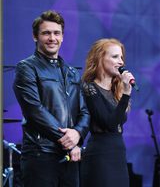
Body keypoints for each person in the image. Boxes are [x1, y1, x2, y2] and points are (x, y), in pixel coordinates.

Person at [13, 10, 90, 187]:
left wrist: (78, 133)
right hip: (40, 155)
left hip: (69, 157)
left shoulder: (71, 73)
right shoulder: (27, 68)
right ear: (35, 36)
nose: (52, 38)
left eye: (56, 33)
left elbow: (85, 111)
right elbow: (35, 110)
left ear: (62, 37)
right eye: (46, 33)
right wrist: (69, 141)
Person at [80, 38, 135, 187]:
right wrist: (126, 95)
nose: (121, 62)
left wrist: (123, 93)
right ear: (100, 58)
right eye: (115, 56)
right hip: (100, 156)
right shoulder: (89, 88)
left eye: (122, 57)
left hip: (118, 154)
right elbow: (109, 123)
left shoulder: (115, 91)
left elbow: (118, 122)